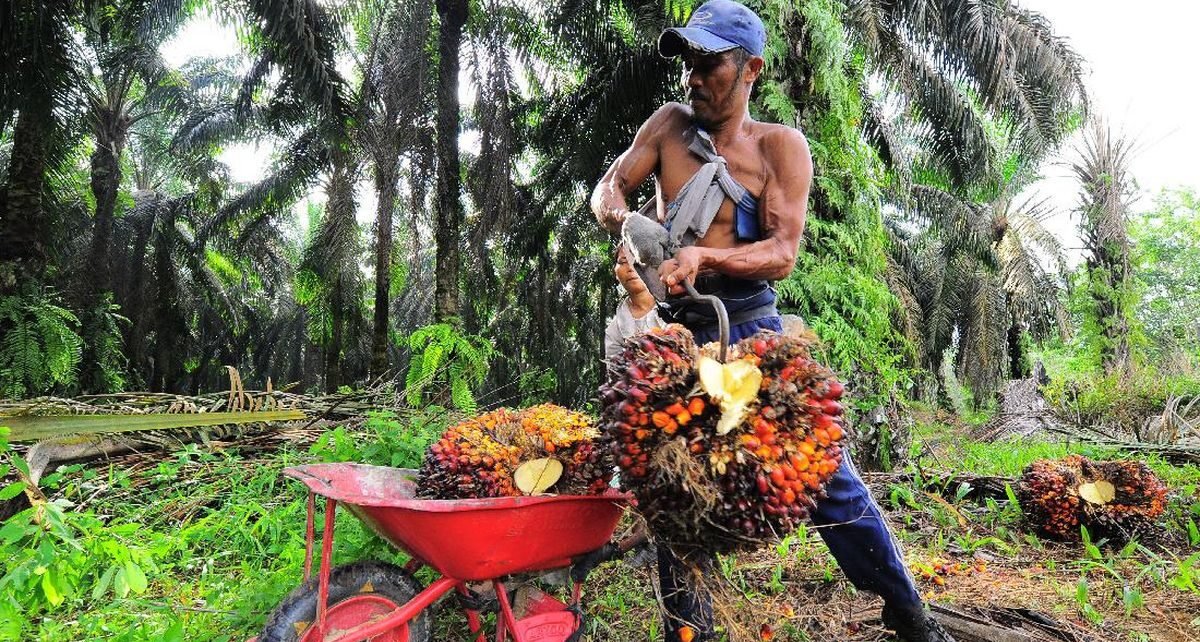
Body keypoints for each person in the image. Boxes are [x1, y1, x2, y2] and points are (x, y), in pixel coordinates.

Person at [591, 2, 955, 641]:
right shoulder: (669, 127)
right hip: (678, 334)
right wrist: (626, 219)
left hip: (751, 329)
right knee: (674, 482)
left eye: (709, 65)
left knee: (824, 476)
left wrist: (707, 254)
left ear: (751, 68)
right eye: (688, 65)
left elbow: (783, 253)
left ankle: (906, 609)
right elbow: (607, 188)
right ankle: (691, 632)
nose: (693, 79)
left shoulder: (779, 148)